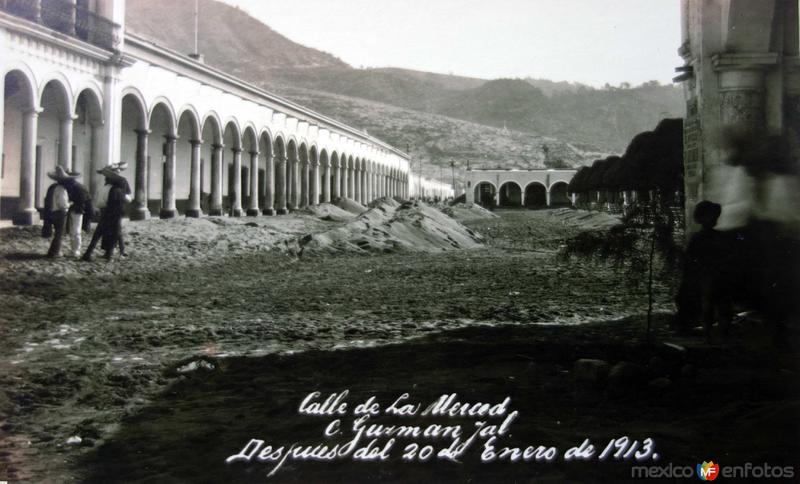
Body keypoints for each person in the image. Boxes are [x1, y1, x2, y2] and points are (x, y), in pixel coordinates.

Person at [674, 201, 734, 340]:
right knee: (716, 304)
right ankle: (717, 333)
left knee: (712, 305)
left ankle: (711, 333)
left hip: (710, 276)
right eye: (713, 217)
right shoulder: (716, 237)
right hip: (712, 277)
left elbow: (690, 260)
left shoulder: (699, 238)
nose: (715, 220)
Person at [82, 163, 130, 261]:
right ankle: (112, 254)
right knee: (116, 232)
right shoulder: (117, 189)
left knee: (99, 233)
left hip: (105, 212)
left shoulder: (105, 188)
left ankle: (89, 253)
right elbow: (124, 199)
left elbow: (100, 202)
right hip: (114, 213)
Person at [43, 166, 78, 258]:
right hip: (60, 213)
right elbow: (62, 204)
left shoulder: (52, 187)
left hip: (52, 212)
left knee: (57, 233)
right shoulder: (62, 189)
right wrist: (70, 204)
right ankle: (55, 252)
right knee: (59, 233)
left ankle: (52, 251)